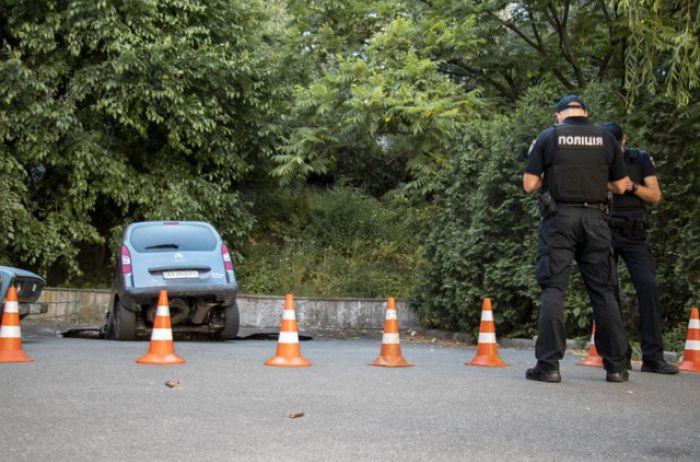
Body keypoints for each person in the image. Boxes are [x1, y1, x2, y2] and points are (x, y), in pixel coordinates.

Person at [523, 95, 631, 383]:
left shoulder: (549, 137)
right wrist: (594, 180)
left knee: (554, 289)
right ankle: (616, 367)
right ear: (585, 112)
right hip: (596, 220)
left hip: (559, 219)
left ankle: (549, 366)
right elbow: (621, 186)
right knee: (603, 291)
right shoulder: (606, 138)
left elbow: (529, 184)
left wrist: (554, 179)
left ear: (559, 115)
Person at [601, 122, 678, 374]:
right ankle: (617, 357)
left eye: (617, 145)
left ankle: (653, 357)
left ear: (624, 140)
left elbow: (655, 196)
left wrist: (632, 186)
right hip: (605, 231)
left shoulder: (640, 158)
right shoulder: (596, 160)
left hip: (634, 233)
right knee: (608, 293)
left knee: (648, 286)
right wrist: (613, 185)